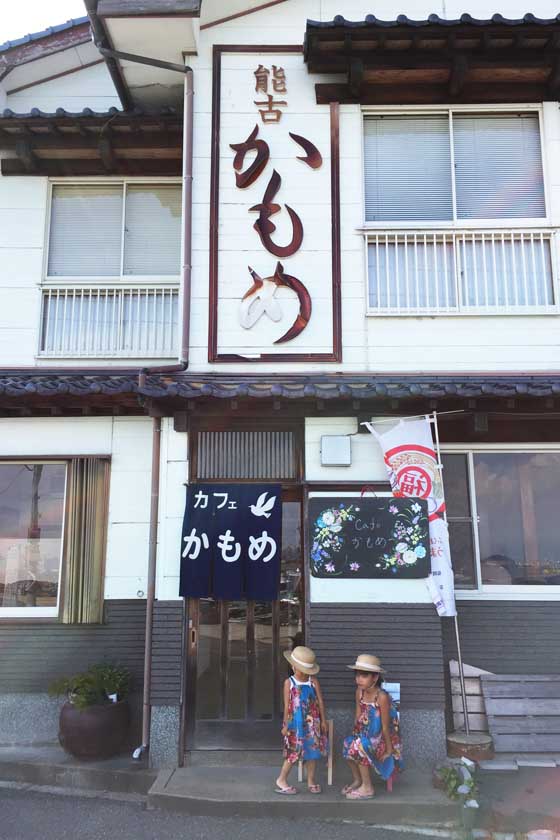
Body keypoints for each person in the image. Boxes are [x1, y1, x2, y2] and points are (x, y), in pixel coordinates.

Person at [342, 654, 402, 800]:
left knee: (359, 745)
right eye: (357, 675)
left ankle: (368, 788)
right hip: (364, 735)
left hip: (381, 739)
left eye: (364, 675)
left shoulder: (381, 697)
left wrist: (389, 750)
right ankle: (358, 780)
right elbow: (358, 716)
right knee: (347, 743)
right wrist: (354, 735)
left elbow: (386, 726)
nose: (359, 679)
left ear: (374, 678)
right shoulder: (359, 692)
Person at [275, 645, 328, 795]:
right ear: (294, 667)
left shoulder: (313, 682)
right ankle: (281, 779)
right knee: (293, 752)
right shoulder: (289, 683)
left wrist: (323, 721)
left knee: (312, 752)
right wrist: (285, 724)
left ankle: (311, 780)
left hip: (312, 724)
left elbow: (320, 702)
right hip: (295, 724)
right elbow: (287, 706)